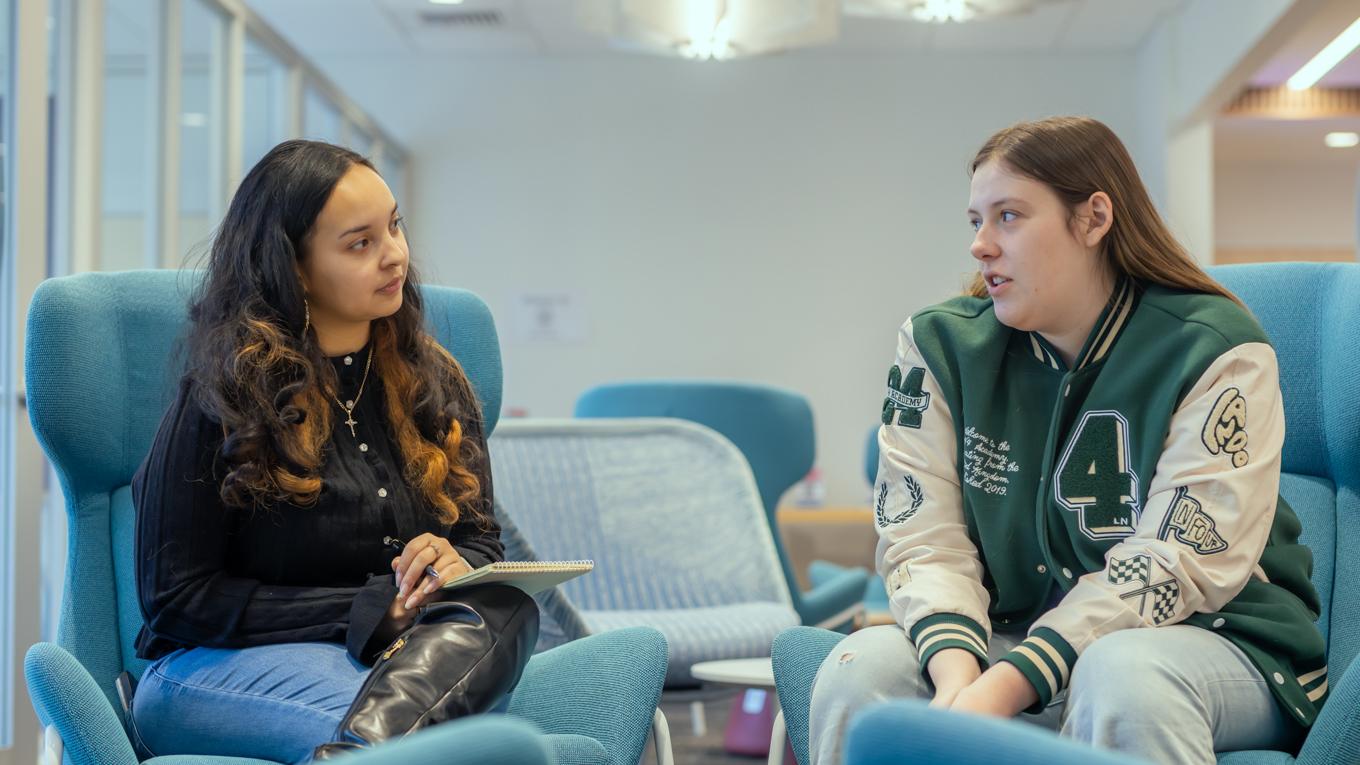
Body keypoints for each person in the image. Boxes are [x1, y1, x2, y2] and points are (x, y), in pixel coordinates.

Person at [809, 116, 1326, 764]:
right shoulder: (938, 346)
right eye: (975, 220)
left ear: (1093, 218)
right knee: (859, 669)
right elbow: (924, 538)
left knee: (1122, 675)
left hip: (1218, 642)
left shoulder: (1216, 347)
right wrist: (957, 676)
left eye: (1009, 216)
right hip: (1011, 638)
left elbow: (1177, 560)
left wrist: (1005, 686)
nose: (980, 245)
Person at [129, 139, 539, 763]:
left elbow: (484, 543)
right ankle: (378, 750)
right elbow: (177, 601)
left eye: (395, 227)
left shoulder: (437, 384)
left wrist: (451, 563)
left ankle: (356, 754)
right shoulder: (225, 397)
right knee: (450, 727)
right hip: (215, 671)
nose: (396, 255)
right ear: (293, 267)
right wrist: (366, 609)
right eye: (360, 243)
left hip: (401, 665)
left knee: (502, 606)